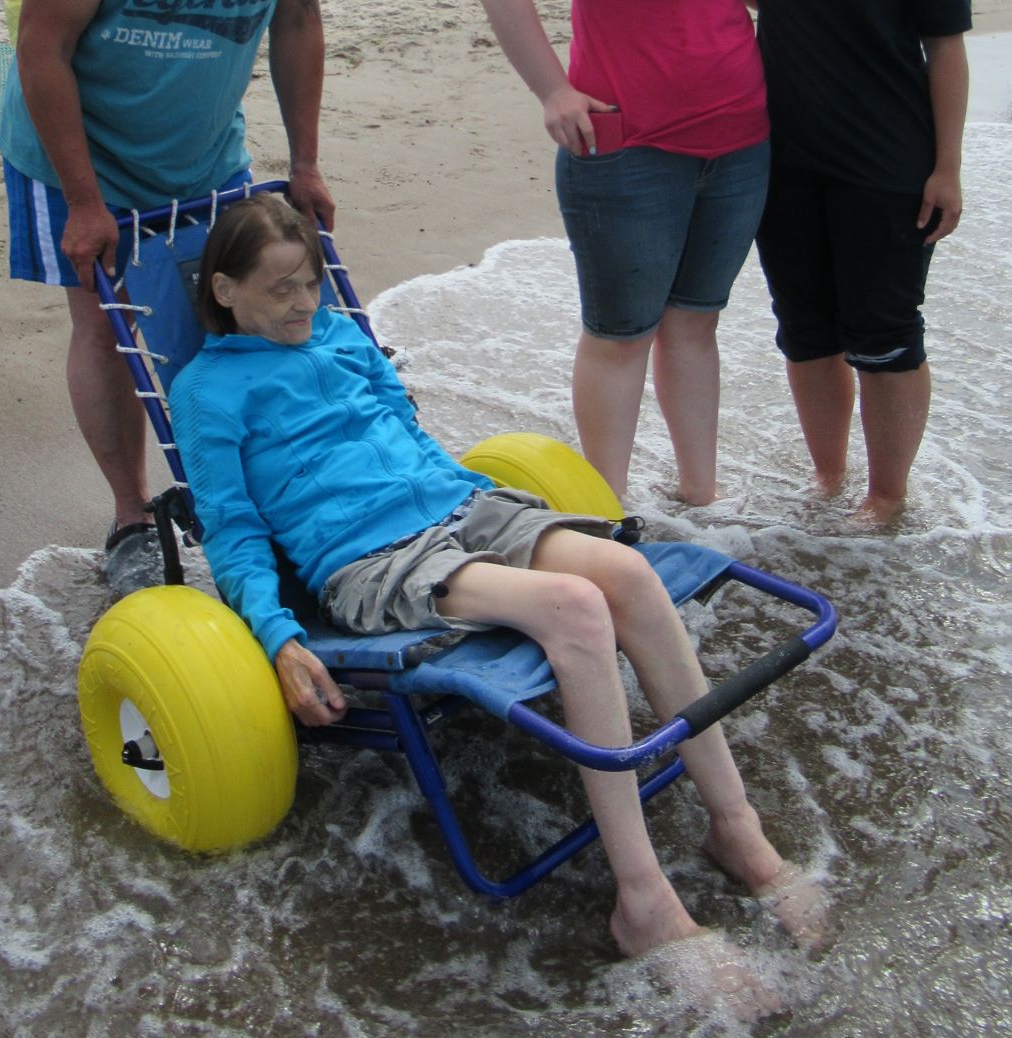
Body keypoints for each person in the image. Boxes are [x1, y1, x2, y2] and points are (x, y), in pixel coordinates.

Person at [169, 193, 822, 979]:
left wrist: (489, 510)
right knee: (576, 610)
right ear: (224, 290)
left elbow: (406, 431)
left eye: (310, 282)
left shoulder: (340, 335)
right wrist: (278, 639)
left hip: (456, 508)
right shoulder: (207, 393)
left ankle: (736, 826)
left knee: (628, 575)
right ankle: (642, 900)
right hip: (368, 559)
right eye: (279, 290)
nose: (304, 303)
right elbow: (234, 536)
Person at [563, 0, 971, 523]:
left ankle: (885, 498)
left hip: (887, 161)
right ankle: (827, 487)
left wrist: (948, 166)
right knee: (808, 331)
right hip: (777, 151)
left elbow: (947, 43)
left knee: (885, 333)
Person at [0, 0, 334, 594]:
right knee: (108, 327)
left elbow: (297, 14)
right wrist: (83, 200)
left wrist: (302, 161)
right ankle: (130, 519)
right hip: (79, 144)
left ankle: (241, 491)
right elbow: (43, 40)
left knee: (229, 318)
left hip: (201, 145)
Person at [476, 0, 771, 510]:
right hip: (627, 151)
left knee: (694, 326)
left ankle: (701, 501)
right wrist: (552, 90)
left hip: (742, 144)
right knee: (620, 336)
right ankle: (607, 516)